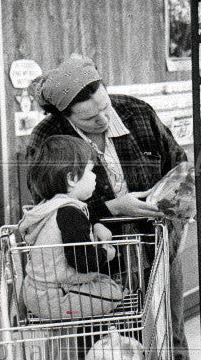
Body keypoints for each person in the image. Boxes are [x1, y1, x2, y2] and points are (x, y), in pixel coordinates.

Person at [27, 55, 201, 360]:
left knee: (169, 344)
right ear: (64, 116)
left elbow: (179, 166)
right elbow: (48, 205)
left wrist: (171, 208)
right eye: (88, 118)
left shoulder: (137, 113)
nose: (103, 119)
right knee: (106, 358)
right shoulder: (46, 140)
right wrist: (111, 207)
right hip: (93, 269)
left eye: (103, 105)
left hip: (156, 247)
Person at [19, 135, 123, 322]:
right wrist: (106, 252)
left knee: (102, 283)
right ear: (72, 179)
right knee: (113, 293)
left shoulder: (50, 207)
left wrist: (95, 225)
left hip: (37, 292)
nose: (94, 178)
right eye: (91, 171)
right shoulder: (70, 213)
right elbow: (83, 262)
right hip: (56, 299)